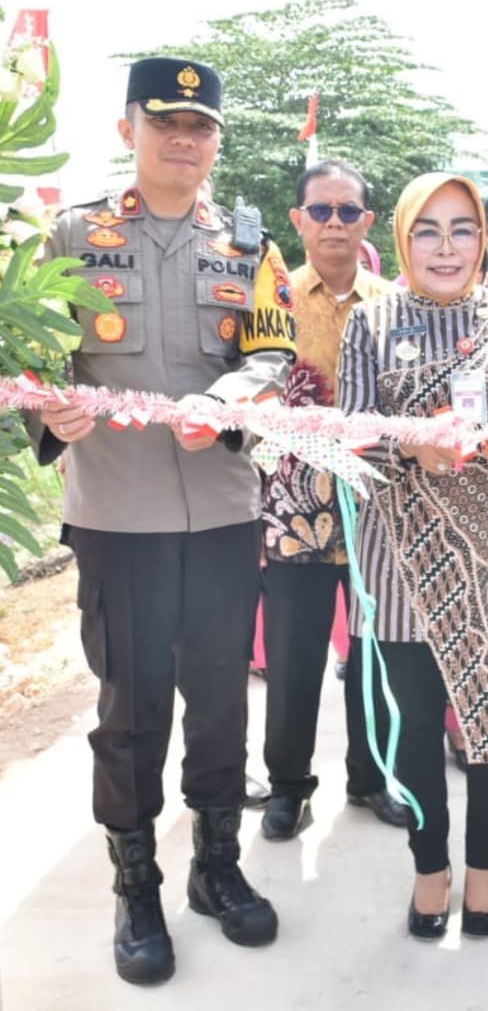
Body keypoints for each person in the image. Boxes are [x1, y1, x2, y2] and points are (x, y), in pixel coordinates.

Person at [25, 57, 295, 985]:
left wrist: (226, 398)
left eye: (201, 126)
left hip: (220, 511)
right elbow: (39, 359)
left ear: (217, 140)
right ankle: (135, 885)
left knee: (220, 702)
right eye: (166, 121)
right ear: (130, 126)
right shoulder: (72, 234)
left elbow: (272, 354)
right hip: (119, 516)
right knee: (130, 713)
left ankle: (216, 870)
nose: (184, 139)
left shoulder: (250, 243)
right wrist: (45, 410)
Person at [337, 171, 488, 940]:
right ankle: (431, 866)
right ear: (401, 239)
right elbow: (352, 427)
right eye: (427, 230)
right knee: (416, 725)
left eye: (463, 228)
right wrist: (412, 446)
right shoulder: (370, 321)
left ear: (483, 240)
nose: (447, 247)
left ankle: (485, 864)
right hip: (401, 555)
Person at [259, 158, 407, 841]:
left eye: (349, 211)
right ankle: (290, 785)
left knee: (375, 652)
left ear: (367, 223)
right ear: (299, 220)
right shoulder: (276, 300)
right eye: (321, 210)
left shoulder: (395, 304)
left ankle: (371, 777)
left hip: (378, 506)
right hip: (296, 506)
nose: (335, 224)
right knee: (292, 657)